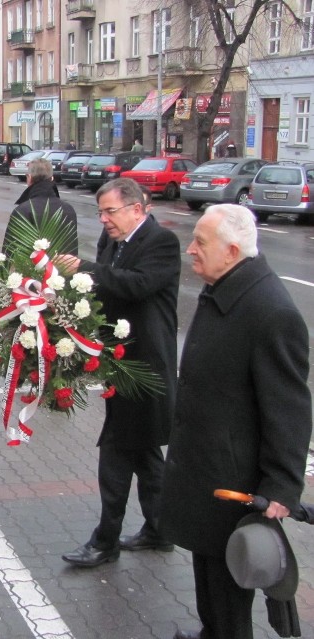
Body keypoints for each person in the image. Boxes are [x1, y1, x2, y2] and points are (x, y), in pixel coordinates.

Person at [160, 204, 311, 639]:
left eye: (200, 243)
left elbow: (290, 408)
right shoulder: (225, 288)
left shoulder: (269, 310)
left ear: (231, 250)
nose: (190, 249)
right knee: (209, 568)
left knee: (231, 587)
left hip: (235, 480)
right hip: (208, 468)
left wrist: (281, 486)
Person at [55, 177, 181, 568]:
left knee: (116, 452)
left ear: (136, 209)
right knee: (143, 453)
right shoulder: (112, 240)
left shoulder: (161, 242)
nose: (104, 220)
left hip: (147, 365)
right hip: (118, 360)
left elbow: (138, 285)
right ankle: (160, 530)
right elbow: (104, 293)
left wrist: (87, 269)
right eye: (101, 212)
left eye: (110, 211)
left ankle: (105, 541)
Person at [3, 158, 78, 256]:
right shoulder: (68, 209)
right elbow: (72, 250)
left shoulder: (23, 210)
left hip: (29, 270)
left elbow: (9, 252)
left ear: (29, 178)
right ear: (52, 178)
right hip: (62, 269)